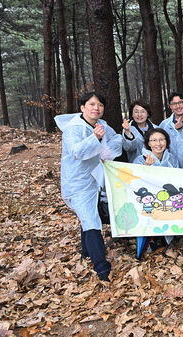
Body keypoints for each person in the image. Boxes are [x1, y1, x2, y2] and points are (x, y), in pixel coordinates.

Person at [56, 92, 122, 281]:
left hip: (95, 179)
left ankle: (86, 252)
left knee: (89, 216)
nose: (96, 108)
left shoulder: (103, 125)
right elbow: (77, 152)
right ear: (83, 107)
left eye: (100, 105)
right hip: (78, 182)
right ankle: (102, 268)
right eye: (92, 104)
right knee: (92, 221)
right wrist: (95, 139)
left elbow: (116, 139)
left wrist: (106, 151)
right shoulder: (74, 128)